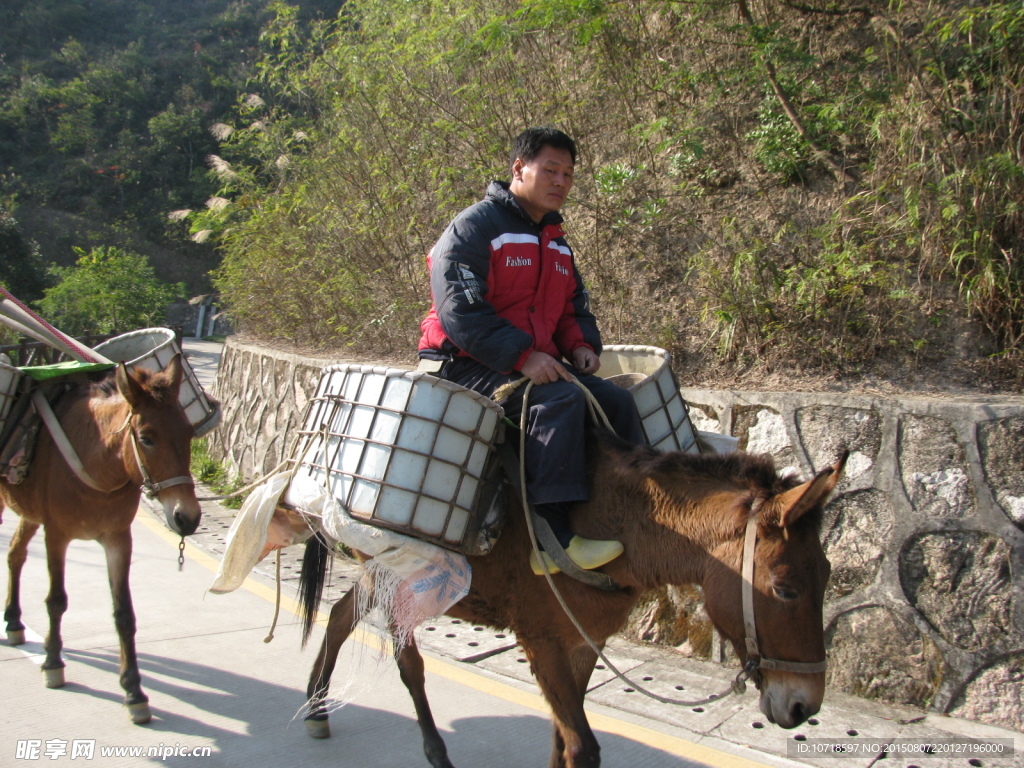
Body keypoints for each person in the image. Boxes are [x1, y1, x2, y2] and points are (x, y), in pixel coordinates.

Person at [418, 127, 645, 575]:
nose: (561, 181)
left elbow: (571, 308)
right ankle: (552, 541)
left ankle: (622, 512)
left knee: (615, 401)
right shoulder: (474, 227)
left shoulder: (556, 242)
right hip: (465, 363)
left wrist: (579, 346)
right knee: (559, 399)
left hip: (525, 362)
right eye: (551, 170)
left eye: (568, 174)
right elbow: (460, 310)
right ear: (519, 169)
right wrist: (523, 357)